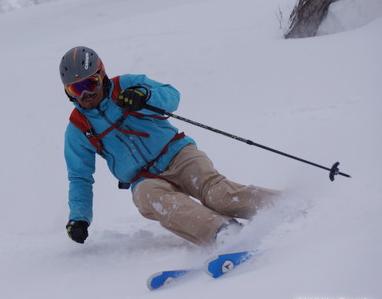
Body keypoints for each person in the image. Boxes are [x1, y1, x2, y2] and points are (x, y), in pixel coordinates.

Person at [59, 46, 279, 247]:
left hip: (178, 155)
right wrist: (79, 217)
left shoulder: (126, 85)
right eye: (76, 89)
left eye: (90, 84)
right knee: (154, 200)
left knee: (216, 194)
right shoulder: (79, 128)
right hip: (144, 179)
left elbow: (172, 96)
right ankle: (223, 233)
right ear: (68, 92)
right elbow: (80, 177)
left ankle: (282, 205)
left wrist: (145, 96)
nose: (86, 94)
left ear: (102, 75)